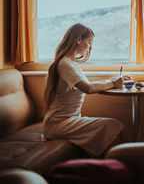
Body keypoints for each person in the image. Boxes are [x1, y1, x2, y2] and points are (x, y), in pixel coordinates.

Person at [42, 23, 130, 157]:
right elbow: (88, 88)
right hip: (58, 124)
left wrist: (115, 80)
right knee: (113, 126)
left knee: (112, 127)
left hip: (68, 120)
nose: (90, 46)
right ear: (78, 39)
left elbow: (88, 84)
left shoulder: (72, 63)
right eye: (89, 42)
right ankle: (114, 169)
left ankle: (109, 168)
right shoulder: (64, 64)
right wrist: (113, 83)